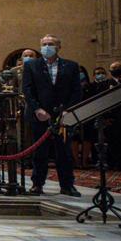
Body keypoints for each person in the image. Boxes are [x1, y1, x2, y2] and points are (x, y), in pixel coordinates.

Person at [22, 34, 82, 196]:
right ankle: (37, 184)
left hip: (63, 114)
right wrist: (37, 109)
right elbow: (27, 90)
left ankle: (67, 185)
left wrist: (67, 110)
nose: (47, 47)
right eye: (44, 44)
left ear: (58, 47)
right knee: (39, 152)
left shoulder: (71, 66)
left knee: (64, 151)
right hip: (40, 114)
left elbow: (76, 90)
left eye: (51, 44)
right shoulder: (32, 66)